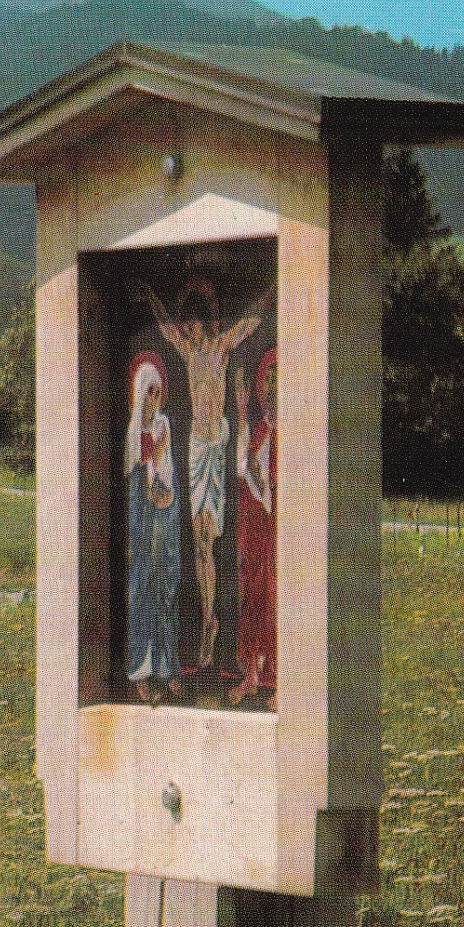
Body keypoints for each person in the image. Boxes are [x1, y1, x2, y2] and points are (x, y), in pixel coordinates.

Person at [145, 278, 270, 669]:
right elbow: (165, 328)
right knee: (200, 542)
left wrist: (273, 289)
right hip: (197, 449)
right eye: (184, 325)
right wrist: (151, 294)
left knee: (209, 539)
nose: (185, 330)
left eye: (191, 324)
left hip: (215, 447)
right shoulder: (185, 351)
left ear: (203, 322)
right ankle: (207, 622)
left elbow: (249, 324)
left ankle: (210, 623)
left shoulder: (219, 348)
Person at [124, 352, 182, 703]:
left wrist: (164, 488)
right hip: (140, 515)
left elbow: (165, 467)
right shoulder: (133, 432)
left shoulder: (163, 425)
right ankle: (140, 671)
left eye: (157, 393)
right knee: (141, 585)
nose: (153, 399)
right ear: (138, 393)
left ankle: (166, 666)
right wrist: (150, 468)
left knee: (166, 582)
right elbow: (137, 473)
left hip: (162, 508)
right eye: (148, 392)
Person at [231, 348, 278, 709]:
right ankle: (252, 675)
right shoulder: (261, 429)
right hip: (256, 527)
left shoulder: (289, 433)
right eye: (270, 386)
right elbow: (244, 471)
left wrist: (268, 487)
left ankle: (279, 679)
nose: (273, 394)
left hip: (277, 528)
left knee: (276, 600)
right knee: (253, 598)